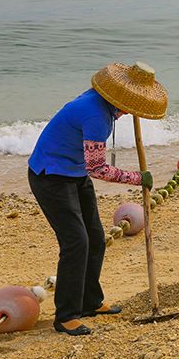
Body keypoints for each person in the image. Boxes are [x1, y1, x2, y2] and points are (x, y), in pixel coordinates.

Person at [28, 62, 167, 335]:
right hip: (50, 176)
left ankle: (90, 301)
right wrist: (138, 178)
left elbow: (87, 168)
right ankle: (66, 316)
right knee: (76, 242)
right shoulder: (95, 115)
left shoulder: (104, 104)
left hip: (75, 173)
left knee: (95, 237)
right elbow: (98, 168)